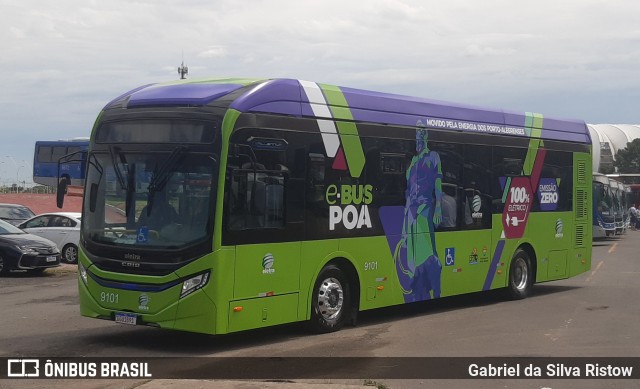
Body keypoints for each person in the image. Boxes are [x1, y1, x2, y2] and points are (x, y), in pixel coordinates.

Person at [401, 124, 443, 302]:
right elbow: (408, 191)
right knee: (413, 255)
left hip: (425, 208)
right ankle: (419, 289)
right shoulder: (412, 160)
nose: (420, 135)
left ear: (426, 135)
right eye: (417, 131)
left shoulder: (433, 156)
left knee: (429, 254)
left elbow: (438, 182)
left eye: (422, 131)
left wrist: (438, 206)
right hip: (411, 211)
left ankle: (436, 289)